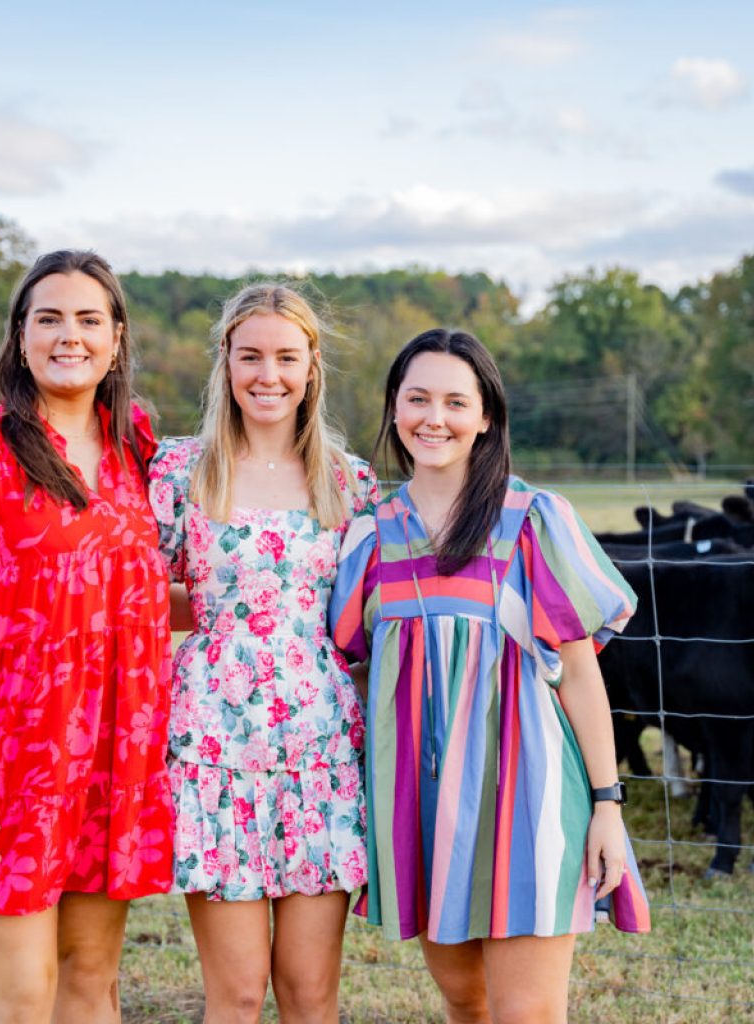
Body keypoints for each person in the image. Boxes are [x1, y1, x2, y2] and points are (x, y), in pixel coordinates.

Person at [330, 328, 651, 1024]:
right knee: (465, 1002)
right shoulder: (369, 535)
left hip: (529, 797)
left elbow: (579, 674)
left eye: (456, 402)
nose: (434, 418)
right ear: (394, 408)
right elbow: (358, 674)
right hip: (424, 806)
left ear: (486, 417)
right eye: (418, 399)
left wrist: (608, 804)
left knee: (525, 1013)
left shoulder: (532, 520)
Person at [0, 250, 174, 1023]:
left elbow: (132, 598)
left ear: (116, 338)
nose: (69, 335)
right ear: (20, 335)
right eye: (49, 318)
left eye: (87, 319)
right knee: (22, 999)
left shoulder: (138, 453)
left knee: (90, 986)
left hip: (109, 767)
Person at [148, 282, 376, 1024]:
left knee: (309, 992)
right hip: (214, 750)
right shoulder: (182, 471)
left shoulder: (349, 482)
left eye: (285, 357)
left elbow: (367, 615)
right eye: (250, 356)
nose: (267, 375)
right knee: (239, 993)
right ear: (227, 360)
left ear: (312, 366)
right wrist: (226, 618)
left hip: (319, 753)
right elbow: (142, 598)